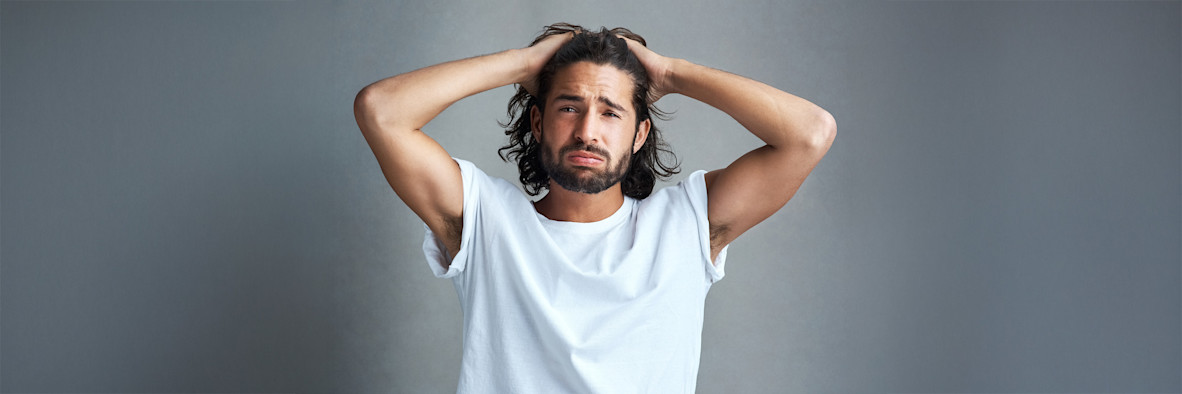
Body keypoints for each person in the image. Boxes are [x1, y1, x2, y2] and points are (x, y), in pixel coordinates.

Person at [353, 23, 835, 393]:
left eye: (610, 112)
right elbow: (381, 110)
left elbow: (810, 133)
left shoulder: (687, 225)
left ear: (639, 133)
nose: (587, 131)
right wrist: (523, 64)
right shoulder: (483, 221)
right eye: (568, 107)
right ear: (538, 123)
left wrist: (668, 73)